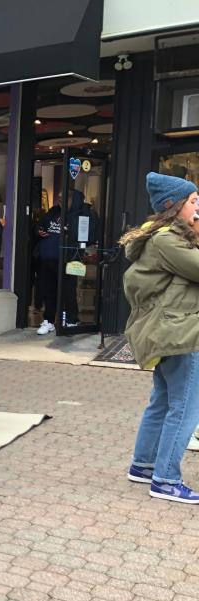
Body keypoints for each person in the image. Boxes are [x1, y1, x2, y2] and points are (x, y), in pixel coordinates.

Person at [123, 172, 199, 503]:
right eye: (194, 201)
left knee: (164, 402)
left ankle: (143, 465)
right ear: (174, 206)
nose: (198, 207)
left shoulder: (166, 238)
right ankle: (166, 478)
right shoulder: (168, 241)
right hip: (183, 334)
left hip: (170, 330)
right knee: (186, 408)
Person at [34, 189, 99, 334]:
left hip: (69, 259)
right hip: (48, 259)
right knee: (49, 291)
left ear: (73, 199)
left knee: (68, 291)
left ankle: (71, 320)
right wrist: (39, 230)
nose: (60, 200)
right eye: (59, 197)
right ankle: (49, 321)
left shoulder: (82, 213)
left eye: (64, 198)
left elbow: (90, 235)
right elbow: (41, 225)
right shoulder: (53, 211)